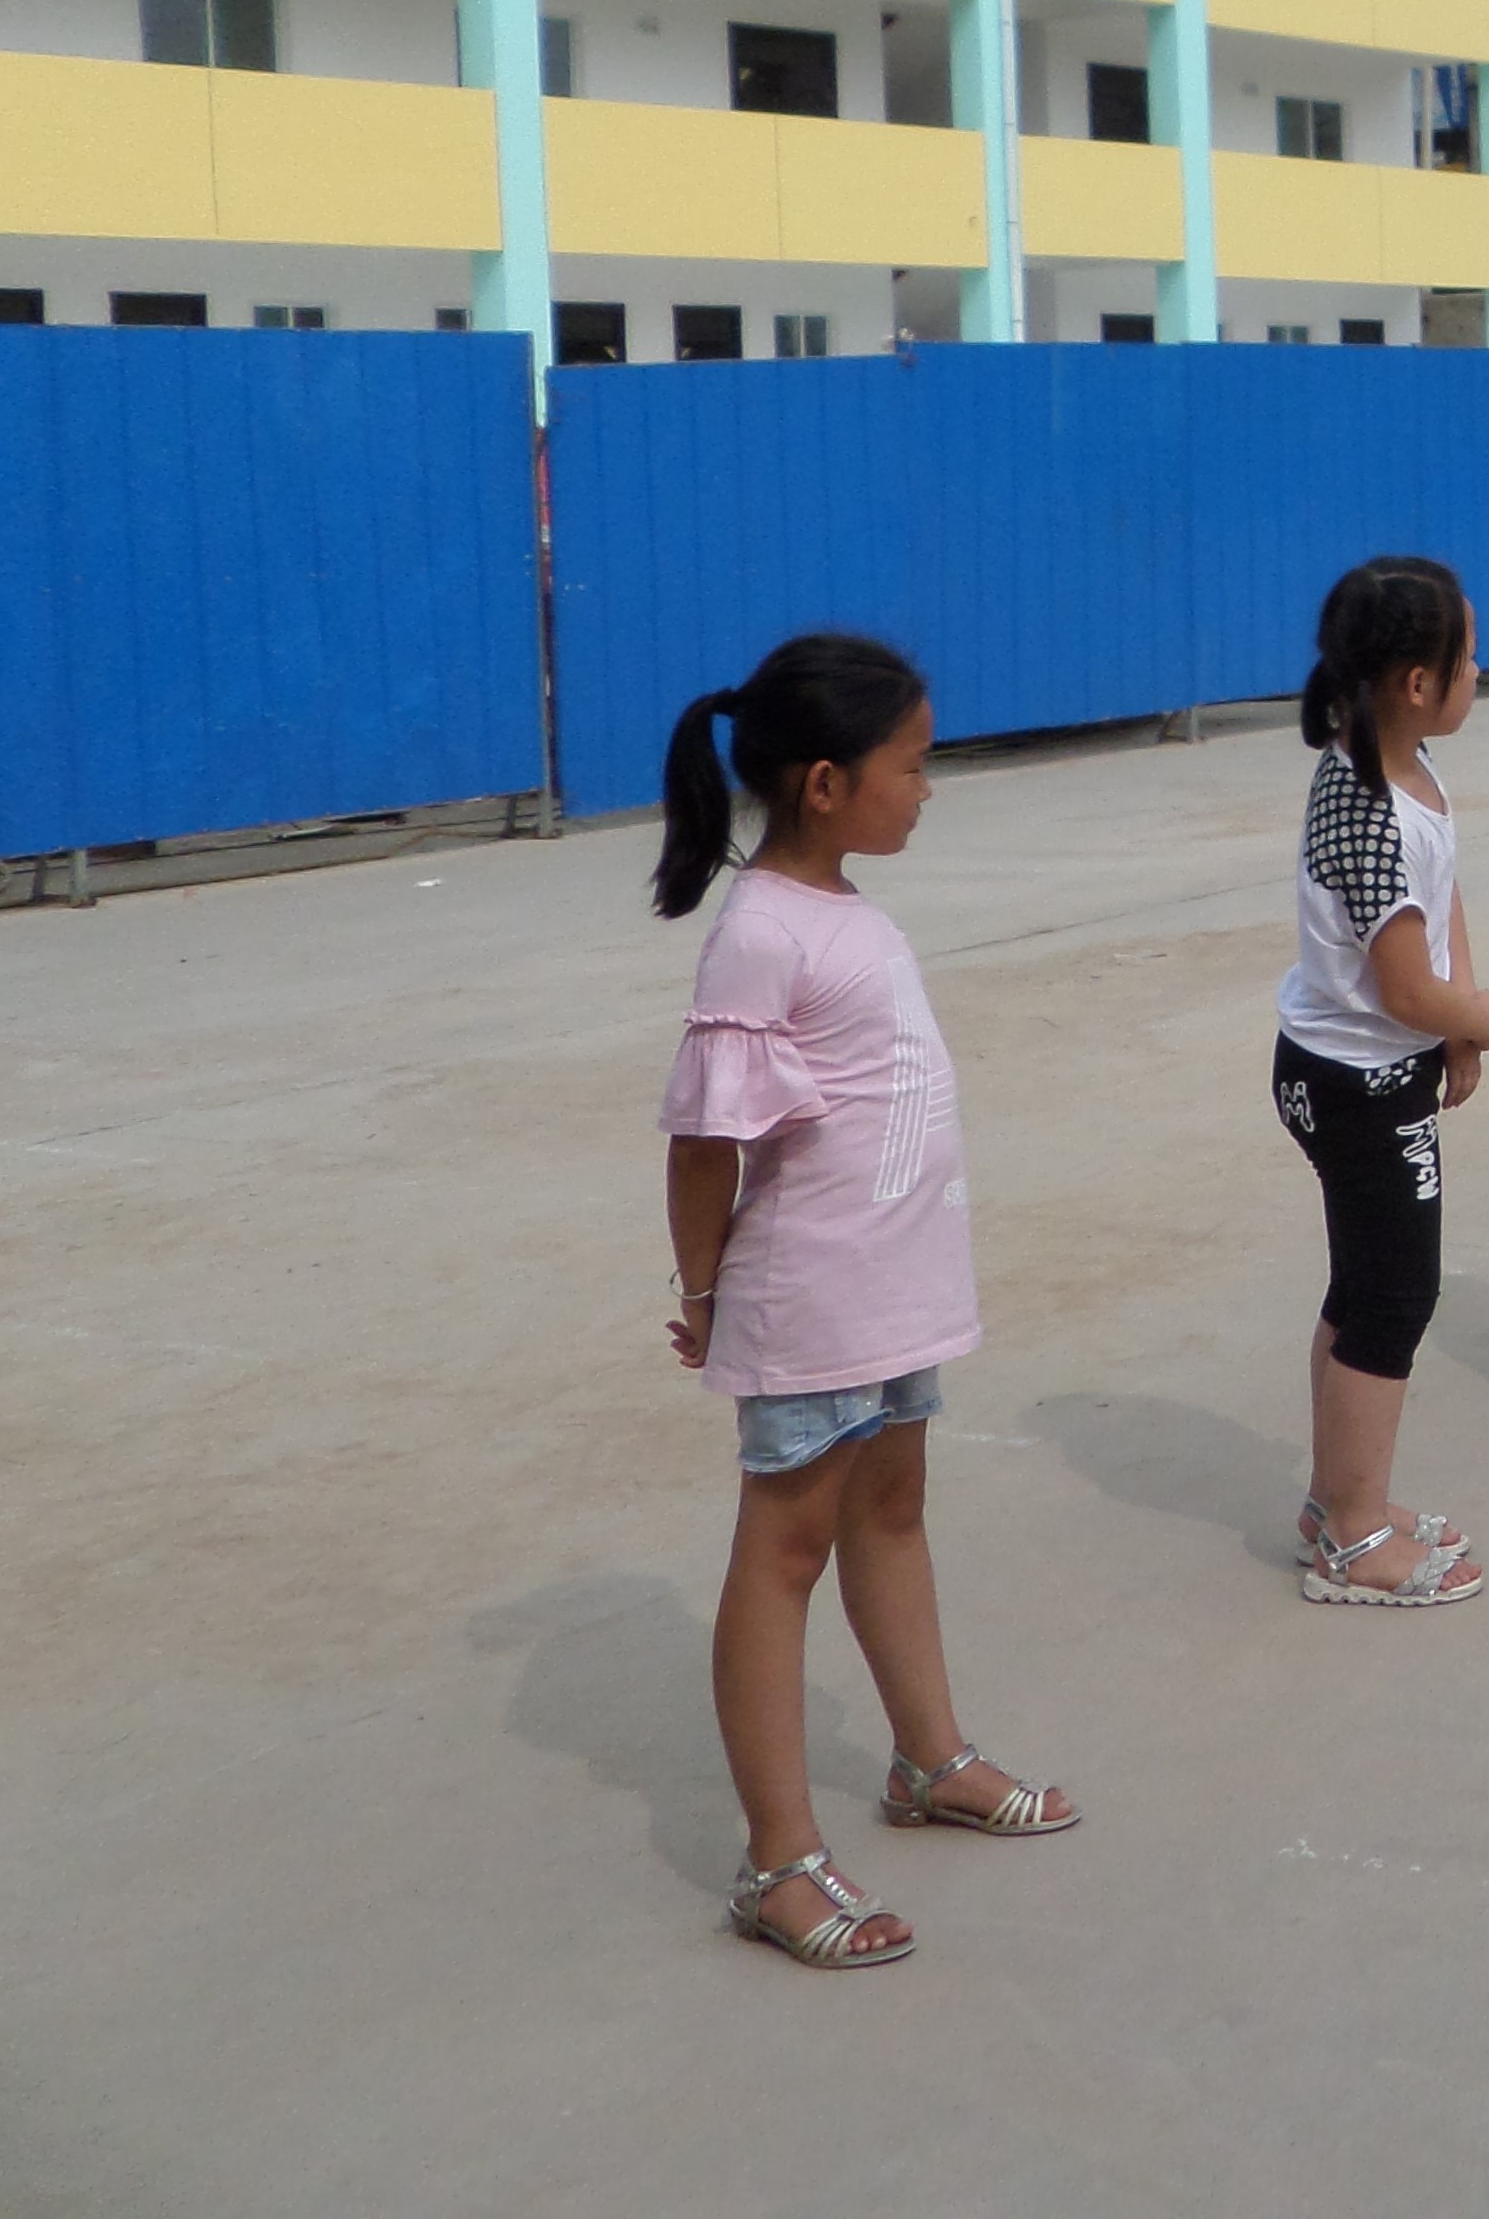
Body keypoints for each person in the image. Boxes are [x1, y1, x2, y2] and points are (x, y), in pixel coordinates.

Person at [654, 634, 1074, 1973]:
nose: (928, 790)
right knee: (783, 1550)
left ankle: (928, 1757)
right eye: (914, 765)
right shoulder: (760, 934)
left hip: (895, 1292)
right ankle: (778, 1863)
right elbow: (705, 1143)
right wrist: (707, 1290)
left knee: (893, 1510)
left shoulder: (845, 910)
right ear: (826, 782)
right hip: (812, 1302)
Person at [1271, 558, 1489, 1606]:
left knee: (1362, 1284)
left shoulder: (1402, 767)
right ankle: (1355, 1539)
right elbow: (1407, 986)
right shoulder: (1368, 805)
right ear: (1418, 681)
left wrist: (1456, 1030)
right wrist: (1480, 1017)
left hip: (1374, 1068)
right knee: (1394, 1299)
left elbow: (1438, 902)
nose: (1480, 671)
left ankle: (1338, 1499)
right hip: (1356, 1084)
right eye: (1469, 656)